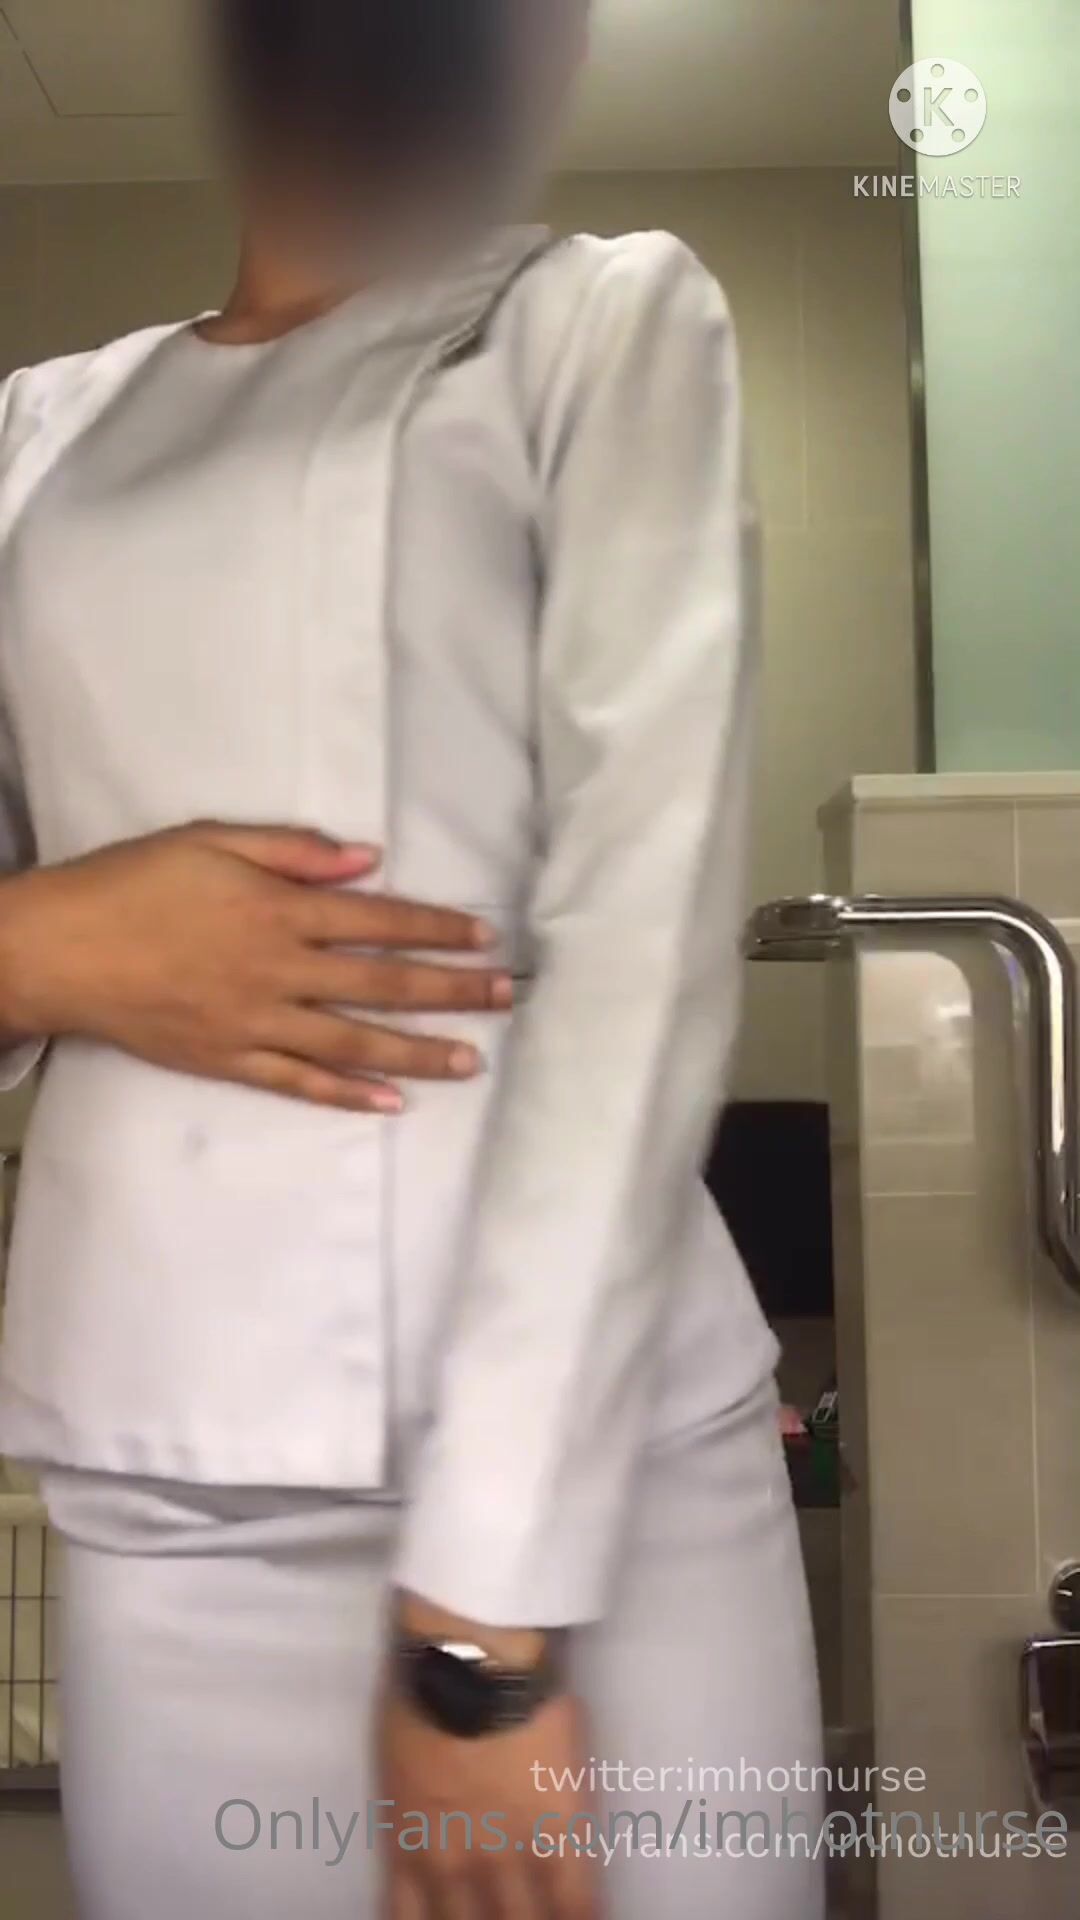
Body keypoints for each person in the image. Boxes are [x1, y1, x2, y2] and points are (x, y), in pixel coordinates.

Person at [0, 3, 824, 1914]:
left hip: (601, 1493)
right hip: (170, 1485)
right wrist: (42, 944)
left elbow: (641, 942)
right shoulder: (32, 436)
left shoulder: (600, 323)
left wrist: (482, 1638)